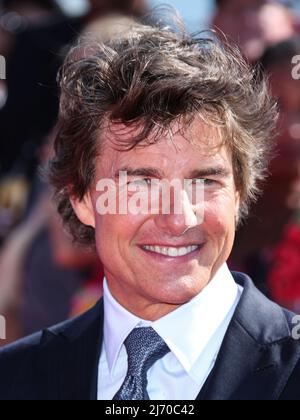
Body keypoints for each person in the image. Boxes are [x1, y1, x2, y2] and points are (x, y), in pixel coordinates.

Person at [0, 14, 299, 401]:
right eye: (141, 184)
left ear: (241, 192)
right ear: (82, 198)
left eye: (205, 181)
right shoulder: (14, 380)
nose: (179, 218)